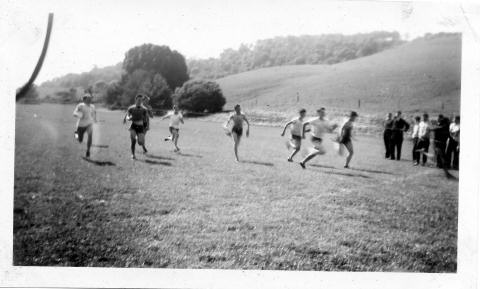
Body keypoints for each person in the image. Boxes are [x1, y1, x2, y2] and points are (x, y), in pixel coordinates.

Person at [124, 94, 149, 159]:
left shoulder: (144, 109)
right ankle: (133, 154)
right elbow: (127, 116)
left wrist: (146, 126)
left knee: (140, 143)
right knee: (133, 140)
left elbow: (146, 119)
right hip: (133, 126)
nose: (139, 101)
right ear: (135, 100)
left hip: (140, 127)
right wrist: (128, 118)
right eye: (138, 100)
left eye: (141, 100)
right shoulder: (131, 108)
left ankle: (139, 138)